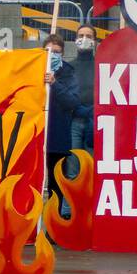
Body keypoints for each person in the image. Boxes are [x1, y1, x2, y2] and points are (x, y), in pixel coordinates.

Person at [43, 33, 82, 217]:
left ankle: (54, 221)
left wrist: (55, 84)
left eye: (56, 52)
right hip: (36, 133)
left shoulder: (68, 72)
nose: (53, 55)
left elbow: (72, 102)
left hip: (57, 136)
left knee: (55, 182)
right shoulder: (34, 68)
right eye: (49, 51)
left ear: (63, 53)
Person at [71, 26, 97, 152]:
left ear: (95, 41)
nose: (84, 39)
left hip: (95, 121)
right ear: (76, 39)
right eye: (81, 36)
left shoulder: (101, 65)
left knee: (92, 165)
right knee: (73, 165)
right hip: (73, 121)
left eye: (89, 36)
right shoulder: (69, 67)